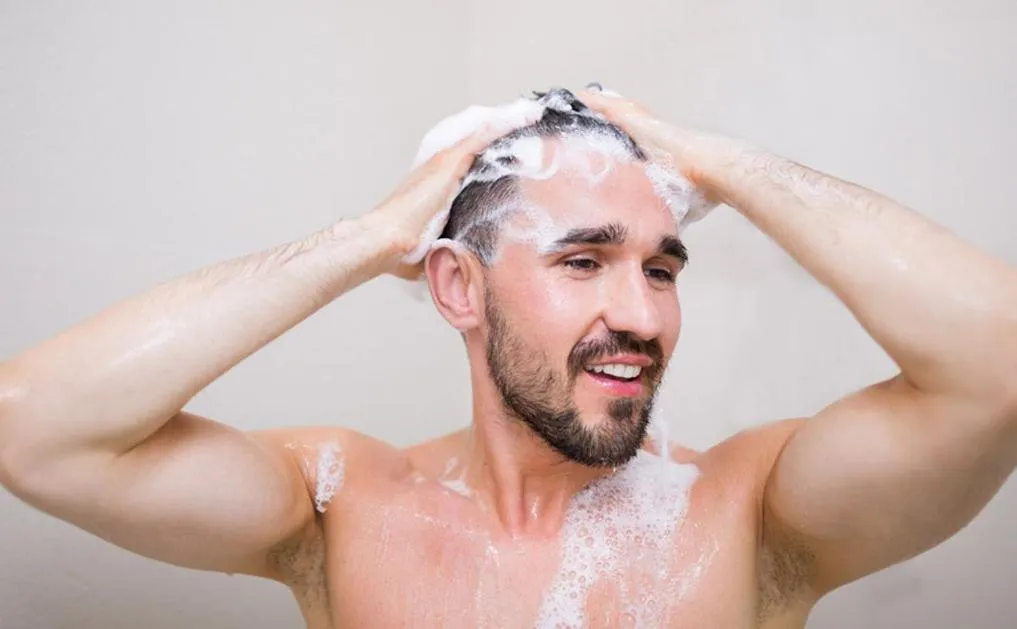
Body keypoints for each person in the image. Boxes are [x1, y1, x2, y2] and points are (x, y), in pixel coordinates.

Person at [1, 86, 1015, 629]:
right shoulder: (341, 507)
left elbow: (1000, 364)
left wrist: (725, 166)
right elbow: (32, 427)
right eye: (583, 259)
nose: (645, 316)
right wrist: (364, 238)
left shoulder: (753, 512)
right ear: (457, 288)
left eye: (662, 269)